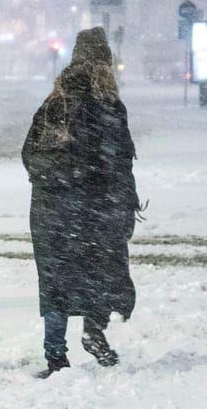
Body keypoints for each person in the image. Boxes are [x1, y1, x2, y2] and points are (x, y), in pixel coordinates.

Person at [21, 27, 139, 379]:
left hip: (50, 210)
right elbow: (119, 163)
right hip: (93, 208)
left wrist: (57, 183)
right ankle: (93, 331)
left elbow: (28, 154)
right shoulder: (108, 106)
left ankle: (55, 355)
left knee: (54, 282)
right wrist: (124, 206)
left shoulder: (54, 103)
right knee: (99, 271)